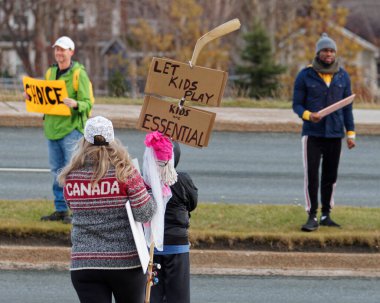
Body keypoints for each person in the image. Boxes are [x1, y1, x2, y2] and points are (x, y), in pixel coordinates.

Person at [57, 116, 157, 303]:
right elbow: (145, 213)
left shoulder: (70, 176)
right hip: (126, 263)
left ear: (84, 141)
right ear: (112, 140)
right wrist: (151, 192)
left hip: (84, 263)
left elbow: (73, 207)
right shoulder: (125, 172)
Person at [292, 33, 356, 232]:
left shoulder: (342, 75)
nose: (329, 54)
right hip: (313, 134)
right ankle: (312, 215)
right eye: (325, 50)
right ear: (318, 53)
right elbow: (297, 105)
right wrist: (309, 116)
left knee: (330, 176)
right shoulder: (305, 75)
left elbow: (347, 108)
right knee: (312, 176)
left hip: (335, 135)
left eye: (331, 51)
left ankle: (326, 214)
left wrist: (351, 134)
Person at [41, 36, 93, 223]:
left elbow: (88, 104)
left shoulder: (79, 74)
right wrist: (30, 95)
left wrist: (76, 103)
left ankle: (76, 211)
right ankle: (60, 209)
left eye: (62, 50)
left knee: (72, 171)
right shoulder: (50, 72)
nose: (59, 53)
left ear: (71, 52)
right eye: (57, 50)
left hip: (71, 130)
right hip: (52, 128)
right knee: (56, 171)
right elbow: (44, 98)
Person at [150, 141, 198, 303]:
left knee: (152, 294)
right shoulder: (183, 180)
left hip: (152, 246)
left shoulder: (145, 180)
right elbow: (192, 204)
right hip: (177, 245)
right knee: (178, 296)